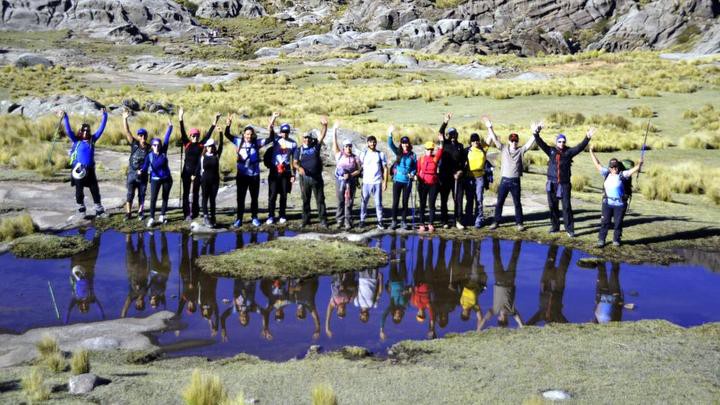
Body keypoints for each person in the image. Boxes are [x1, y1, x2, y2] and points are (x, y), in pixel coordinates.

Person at [534, 127, 595, 237]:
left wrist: (587, 138)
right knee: (553, 206)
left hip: (564, 184)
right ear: (556, 142)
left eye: (563, 141)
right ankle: (555, 226)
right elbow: (541, 143)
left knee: (566, 207)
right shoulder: (551, 151)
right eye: (559, 141)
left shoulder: (569, 152)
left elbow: (579, 147)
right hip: (551, 183)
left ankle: (570, 229)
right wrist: (536, 134)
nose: (562, 143)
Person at [485, 117, 540, 231]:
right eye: (512, 140)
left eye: (516, 140)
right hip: (504, 180)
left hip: (515, 181)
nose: (514, 142)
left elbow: (530, 143)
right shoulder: (504, 148)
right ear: (509, 141)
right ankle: (496, 222)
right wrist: (490, 127)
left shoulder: (521, 150)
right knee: (499, 202)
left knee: (517, 203)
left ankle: (519, 223)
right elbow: (495, 139)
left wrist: (536, 132)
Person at [225, 112, 276, 227]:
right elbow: (227, 134)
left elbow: (271, 139)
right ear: (243, 134)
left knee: (254, 198)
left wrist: (271, 126)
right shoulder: (239, 141)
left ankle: (254, 217)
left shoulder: (257, 143)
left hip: (254, 176)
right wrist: (228, 125)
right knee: (240, 198)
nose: (248, 136)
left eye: (250, 134)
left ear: (253, 135)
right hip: (242, 175)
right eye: (246, 134)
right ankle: (239, 219)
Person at [57, 108, 108, 218]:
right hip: (78, 169)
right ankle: (81, 209)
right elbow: (69, 131)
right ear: (81, 131)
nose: (85, 133)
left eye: (87, 131)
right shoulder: (76, 140)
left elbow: (101, 128)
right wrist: (65, 117)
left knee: (95, 190)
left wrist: (105, 115)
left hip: (90, 170)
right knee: (79, 191)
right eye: (83, 131)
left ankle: (99, 210)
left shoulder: (92, 140)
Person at [589, 145, 644, 247]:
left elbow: (633, 170)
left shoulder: (623, 174)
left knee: (618, 223)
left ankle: (616, 240)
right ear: (609, 167)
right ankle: (601, 240)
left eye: (616, 166)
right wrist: (591, 151)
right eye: (612, 167)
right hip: (607, 203)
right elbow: (597, 164)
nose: (614, 168)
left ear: (618, 166)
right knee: (605, 223)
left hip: (620, 204)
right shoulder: (606, 173)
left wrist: (639, 164)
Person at [179, 108, 220, 221]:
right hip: (186, 172)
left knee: (196, 193)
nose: (195, 137)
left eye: (197, 135)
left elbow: (208, 135)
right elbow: (182, 131)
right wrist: (180, 118)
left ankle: (195, 212)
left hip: (197, 173)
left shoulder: (202, 145)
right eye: (193, 135)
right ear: (190, 136)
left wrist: (214, 121)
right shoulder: (186, 144)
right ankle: (186, 213)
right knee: (186, 193)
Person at [478, 239, 523, 329]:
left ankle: (495, 239)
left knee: (496, 257)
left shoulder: (494, 310)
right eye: (503, 319)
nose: (500, 317)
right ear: (504, 319)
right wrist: (522, 326)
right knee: (514, 259)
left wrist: (478, 330)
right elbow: (519, 321)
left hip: (499, 279)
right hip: (510, 280)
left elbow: (485, 319)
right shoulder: (511, 311)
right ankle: (518, 240)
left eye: (500, 319)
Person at [293, 116, 329, 227]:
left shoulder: (315, 146)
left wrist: (325, 125)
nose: (307, 139)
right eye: (305, 138)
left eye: (308, 138)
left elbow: (322, 136)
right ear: (302, 139)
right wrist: (299, 168)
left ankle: (323, 220)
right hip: (304, 179)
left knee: (320, 199)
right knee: (305, 199)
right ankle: (305, 220)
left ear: (311, 139)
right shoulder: (299, 150)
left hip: (316, 177)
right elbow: (294, 163)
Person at [526, 245, 572, 325]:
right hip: (558, 288)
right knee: (563, 267)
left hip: (545, 284)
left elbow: (531, 322)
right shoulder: (557, 317)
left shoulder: (541, 315)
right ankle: (569, 247)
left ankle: (554, 244)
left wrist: (523, 327)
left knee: (550, 261)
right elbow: (568, 325)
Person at [65, 230, 104, 324]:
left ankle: (81, 232)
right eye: (86, 307)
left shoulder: (75, 299)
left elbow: (68, 310)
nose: (84, 306)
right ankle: (98, 231)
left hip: (76, 269)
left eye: (82, 308)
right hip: (89, 269)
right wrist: (103, 318)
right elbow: (99, 308)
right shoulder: (92, 298)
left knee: (78, 250)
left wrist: (65, 322)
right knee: (94, 249)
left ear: (79, 306)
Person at [140, 120, 174, 227]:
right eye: (154, 145)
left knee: (165, 197)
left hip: (167, 179)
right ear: (152, 146)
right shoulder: (149, 156)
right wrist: (141, 170)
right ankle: (151, 218)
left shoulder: (163, 152)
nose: (157, 146)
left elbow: (167, 139)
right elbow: (145, 166)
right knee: (153, 199)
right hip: (155, 179)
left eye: (158, 145)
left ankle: (162, 215)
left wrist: (170, 128)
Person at [437, 113, 466, 229]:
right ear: (448, 135)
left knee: (458, 199)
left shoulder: (460, 146)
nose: (453, 136)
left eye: (455, 134)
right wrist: (445, 122)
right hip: (445, 175)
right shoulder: (445, 143)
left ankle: (458, 221)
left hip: (457, 176)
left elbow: (464, 162)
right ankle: (444, 221)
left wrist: (461, 172)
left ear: (457, 135)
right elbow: (440, 133)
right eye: (451, 134)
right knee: (444, 199)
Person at [380, 236, 412, 340]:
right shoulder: (405, 305)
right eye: (399, 317)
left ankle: (393, 239)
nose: (397, 315)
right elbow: (410, 291)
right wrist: (408, 291)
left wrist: (382, 329)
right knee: (402, 261)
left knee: (393, 260)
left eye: (395, 317)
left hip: (393, 280)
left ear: (393, 314)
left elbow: (384, 315)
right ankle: (402, 239)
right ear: (401, 315)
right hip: (402, 279)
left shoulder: (391, 306)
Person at [267, 118, 298, 225]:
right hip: (274, 170)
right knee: (272, 194)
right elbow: (270, 129)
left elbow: (294, 160)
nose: (285, 133)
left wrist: (294, 175)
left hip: (286, 171)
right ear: (280, 131)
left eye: (287, 132)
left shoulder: (293, 144)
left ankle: (282, 214)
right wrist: (273, 118)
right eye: (283, 131)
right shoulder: (276, 139)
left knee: (284, 194)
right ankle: (271, 215)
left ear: (289, 132)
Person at [332, 123, 362, 230]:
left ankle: (348, 221)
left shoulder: (356, 158)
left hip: (351, 182)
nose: (348, 148)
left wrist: (350, 174)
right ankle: (339, 220)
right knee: (340, 201)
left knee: (349, 202)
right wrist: (334, 130)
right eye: (346, 146)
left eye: (350, 146)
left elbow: (359, 170)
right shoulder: (339, 155)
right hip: (340, 181)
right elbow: (334, 144)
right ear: (343, 148)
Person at [122, 109, 150, 221]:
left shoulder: (149, 148)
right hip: (132, 173)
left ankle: (140, 212)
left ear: (146, 137)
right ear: (138, 136)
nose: (142, 137)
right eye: (140, 135)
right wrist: (124, 119)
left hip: (143, 175)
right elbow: (127, 132)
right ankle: (128, 213)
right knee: (130, 194)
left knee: (142, 194)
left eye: (144, 135)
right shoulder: (134, 143)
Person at [387, 125, 418, 230]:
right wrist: (390, 134)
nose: (405, 144)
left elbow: (415, 167)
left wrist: (413, 174)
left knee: (405, 202)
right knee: (395, 202)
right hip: (397, 180)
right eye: (403, 142)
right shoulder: (398, 152)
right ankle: (394, 221)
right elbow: (390, 144)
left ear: (409, 144)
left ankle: (404, 221)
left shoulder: (413, 155)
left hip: (407, 182)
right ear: (401, 143)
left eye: (406, 142)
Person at [358, 135, 389, 229]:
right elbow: (359, 166)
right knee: (364, 202)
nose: (372, 143)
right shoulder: (363, 154)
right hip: (366, 182)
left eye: (374, 142)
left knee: (378, 203)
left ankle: (380, 221)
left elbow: (385, 169)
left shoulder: (380, 154)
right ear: (367, 143)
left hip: (377, 182)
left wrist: (385, 182)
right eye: (370, 142)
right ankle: (362, 220)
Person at [462, 133, 490, 228]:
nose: (475, 142)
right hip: (469, 178)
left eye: (477, 140)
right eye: (473, 141)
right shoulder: (467, 150)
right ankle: (469, 218)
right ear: (471, 142)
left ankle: (479, 219)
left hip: (480, 178)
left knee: (479, 199)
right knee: (469, 199)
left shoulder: (483, 149)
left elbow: (489, 140)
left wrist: (489, 127)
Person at [416, 136, 444, 232]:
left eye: (431, 149)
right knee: (422, 204)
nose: (430, 151)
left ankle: (431, 223)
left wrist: (441, 140)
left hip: (433, 184)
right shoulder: (421, 159)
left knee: (431, 204)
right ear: (425, 149)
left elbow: (441, 150)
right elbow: (418, 170)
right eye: (428, 149)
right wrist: (416, 177)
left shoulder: (435, 158)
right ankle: (421, 224)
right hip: (422, 184)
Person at [199, 135, 224, 228]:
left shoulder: (217, 155)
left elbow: (221, 145)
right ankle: (206, 217)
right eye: (208, 146)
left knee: (212, 199)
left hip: (215, 180)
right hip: (205, 180)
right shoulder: (202, 157)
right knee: (205, 198)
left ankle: (213, 217)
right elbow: (200, 169)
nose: (210, 148)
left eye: (212, 146)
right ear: (206, 147)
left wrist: (220, 133)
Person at [121, 233, 148, 318]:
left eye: (138, 305)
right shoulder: (145, 293)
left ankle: (128, 232)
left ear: (135, 303)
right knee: (141, 247)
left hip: (131, 267)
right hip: (142, 265)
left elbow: (125, 308)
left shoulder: (132, 296)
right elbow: (144, 289)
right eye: (142, 304)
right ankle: (140, 232)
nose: (140, 303)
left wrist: (122, 317)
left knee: (129, 248)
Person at [324, 272, 357, 338]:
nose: (342, 310)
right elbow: (355, 288)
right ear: (345, 311)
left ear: (337, 311)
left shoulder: (333, 303)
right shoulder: (350, 300)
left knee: (336, 293)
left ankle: (339, 273)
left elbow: (328, 315)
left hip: (337, 280)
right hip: (348, 278)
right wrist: (346, 289)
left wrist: (327, 328)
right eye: (343, 313)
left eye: (340, 312)